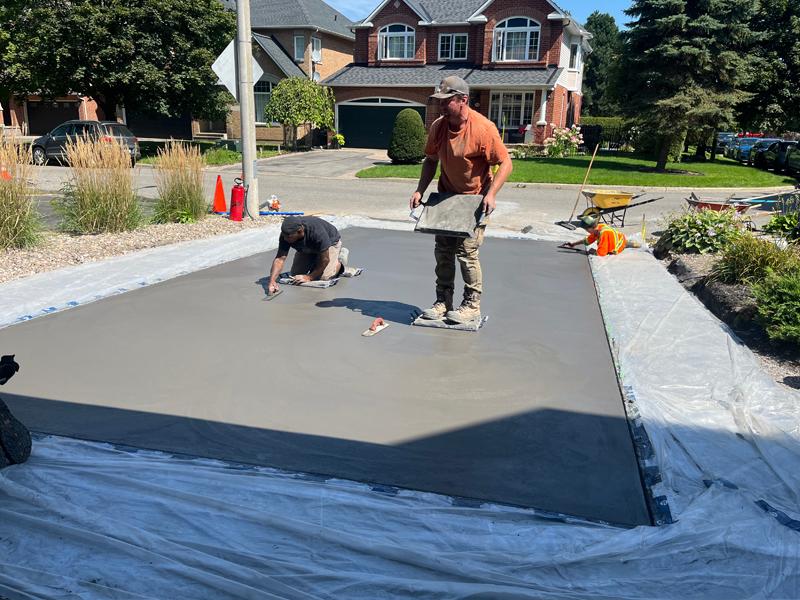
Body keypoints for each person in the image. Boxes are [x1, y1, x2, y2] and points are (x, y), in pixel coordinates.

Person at [410, 75, 513, 323]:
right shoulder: (438, 127)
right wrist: (419, 190)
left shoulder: (483, 128)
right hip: (445, 199)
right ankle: (443, 301)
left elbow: (506, 162)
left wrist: (491, 194)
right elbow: (431, 160)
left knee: (466, 253)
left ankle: (471, 305)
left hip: (475, 200)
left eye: (447, 101)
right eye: (439, 101)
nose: (441, 105)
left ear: (463, 100)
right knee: (443, 252)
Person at [267, 216, 350, 293]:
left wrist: (310, 277)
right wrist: (272, 280)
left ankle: (340, 259)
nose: (285, 239)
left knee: (324, 277)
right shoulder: (286, 234)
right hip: (308, 247)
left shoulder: (317, 233)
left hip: (330, 243)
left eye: (289, 237)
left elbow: (325, 260)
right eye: (284, 236)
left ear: (299, 231)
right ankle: (316, 259)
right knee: (296, 274)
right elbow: (279, 259)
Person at [561, 215, 636, 255]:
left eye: (586, 230)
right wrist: (574, 243)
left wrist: (593, 252)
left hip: (618, 245)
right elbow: (588, 240)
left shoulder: (603, 233)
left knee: (622, 245)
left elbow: (602, 253)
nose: (586, 231)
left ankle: (627, 243)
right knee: (603, 241)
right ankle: (627, 242)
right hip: (618, 237)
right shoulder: (598, 228)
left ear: (589, 229)